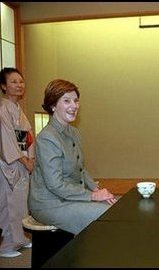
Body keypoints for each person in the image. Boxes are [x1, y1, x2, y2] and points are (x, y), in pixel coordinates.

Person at [29, 79, 117, 235]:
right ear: (53, 105)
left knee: (114, 207)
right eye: (67, 101)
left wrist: (97, 189)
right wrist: (92, 195)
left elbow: (81, 169)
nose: (74, 106)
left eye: (76, 100)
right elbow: (55, 184)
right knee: (107, 216)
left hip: (70, 198)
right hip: (50, 203)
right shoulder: (47, 138)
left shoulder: (73, 132)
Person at [0, 67, 34, 257]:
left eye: (21, 81)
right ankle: (4, 245)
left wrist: (31, 158)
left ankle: (19, 238)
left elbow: (28, 137)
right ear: (3, 86)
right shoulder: (2, 109)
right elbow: (5, 142)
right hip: (7, 163)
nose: (19, 85)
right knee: (7, 203)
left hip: (21, 161)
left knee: (19, 203)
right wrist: (25, 161)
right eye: (13, 82)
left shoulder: (17, 109)